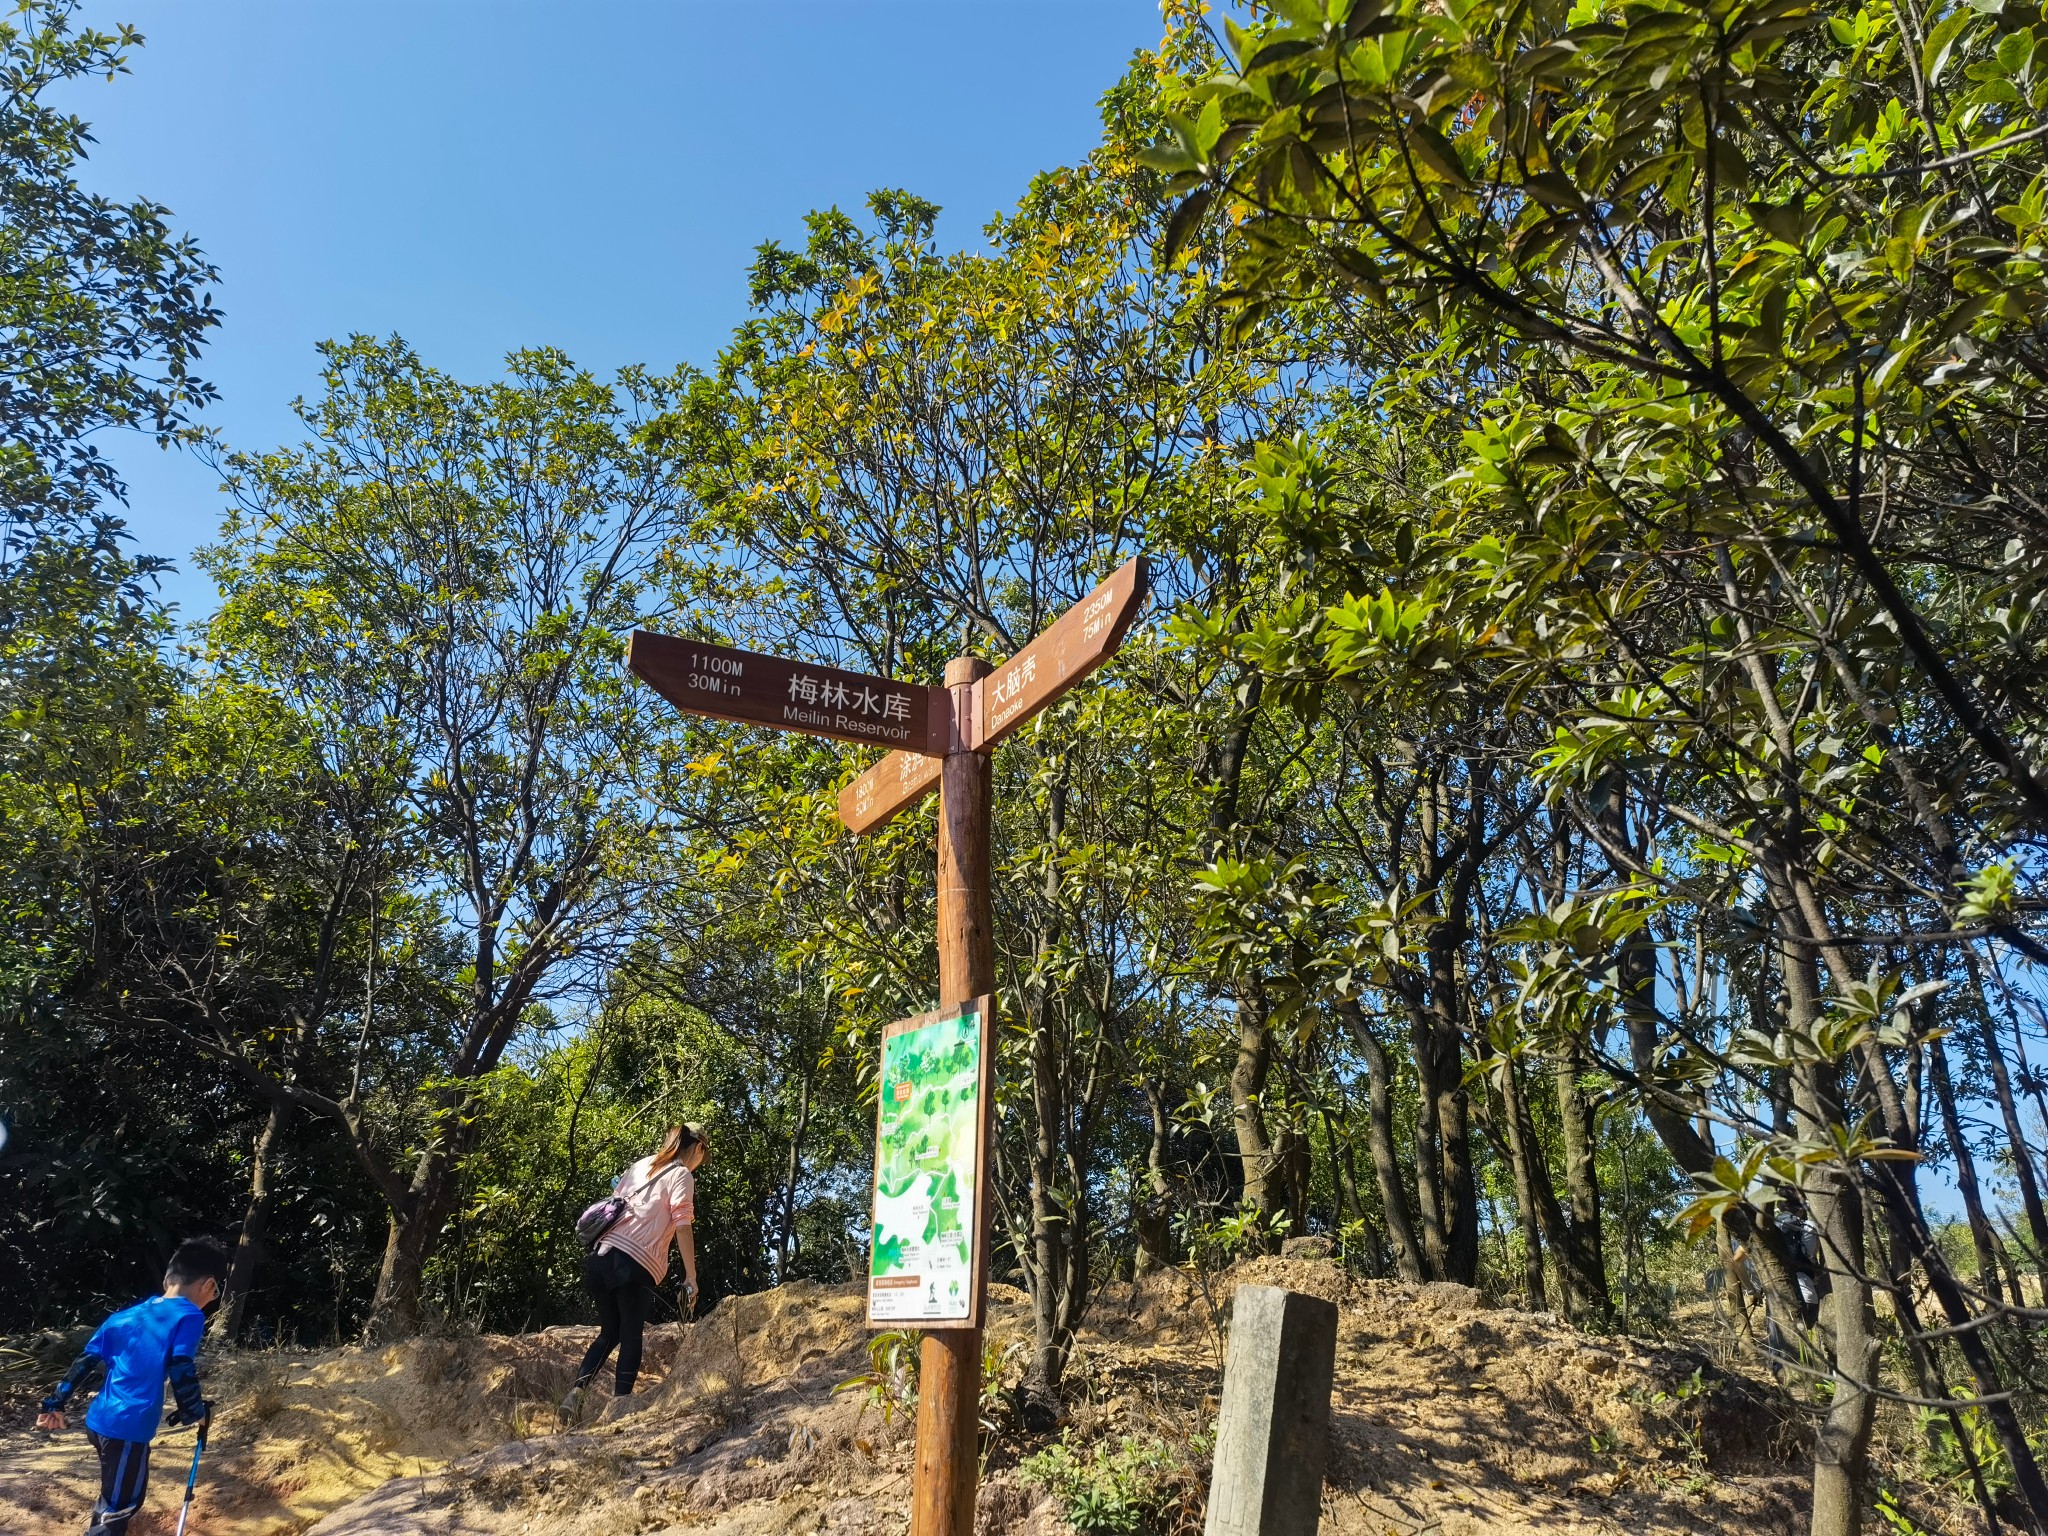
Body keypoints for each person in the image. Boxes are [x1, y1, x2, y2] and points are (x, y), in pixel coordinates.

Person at [35, 1236, 227, 1536]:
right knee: (121, 1508)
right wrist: (195, 1411)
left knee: (114, 1499)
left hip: (99, 1421)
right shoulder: (189, 1316)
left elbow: (84, 1361)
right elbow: (180, 1366)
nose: (212, 1298)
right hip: (128, 1426)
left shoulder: (124, 1316)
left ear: (167, 1280)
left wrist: (54, 1404)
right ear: (208, 1285)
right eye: (216, 1292)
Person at [561, 1124, 705, 1421]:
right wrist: (691, 1276)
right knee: (631, 1335)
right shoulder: (682, 1175)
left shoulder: (642, 1164)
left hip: (600, 1258)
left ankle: (575, 1394)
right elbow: (682, 1224)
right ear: (699, 1148)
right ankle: (620, 1408)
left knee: (609, 1332)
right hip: (634, 1264)